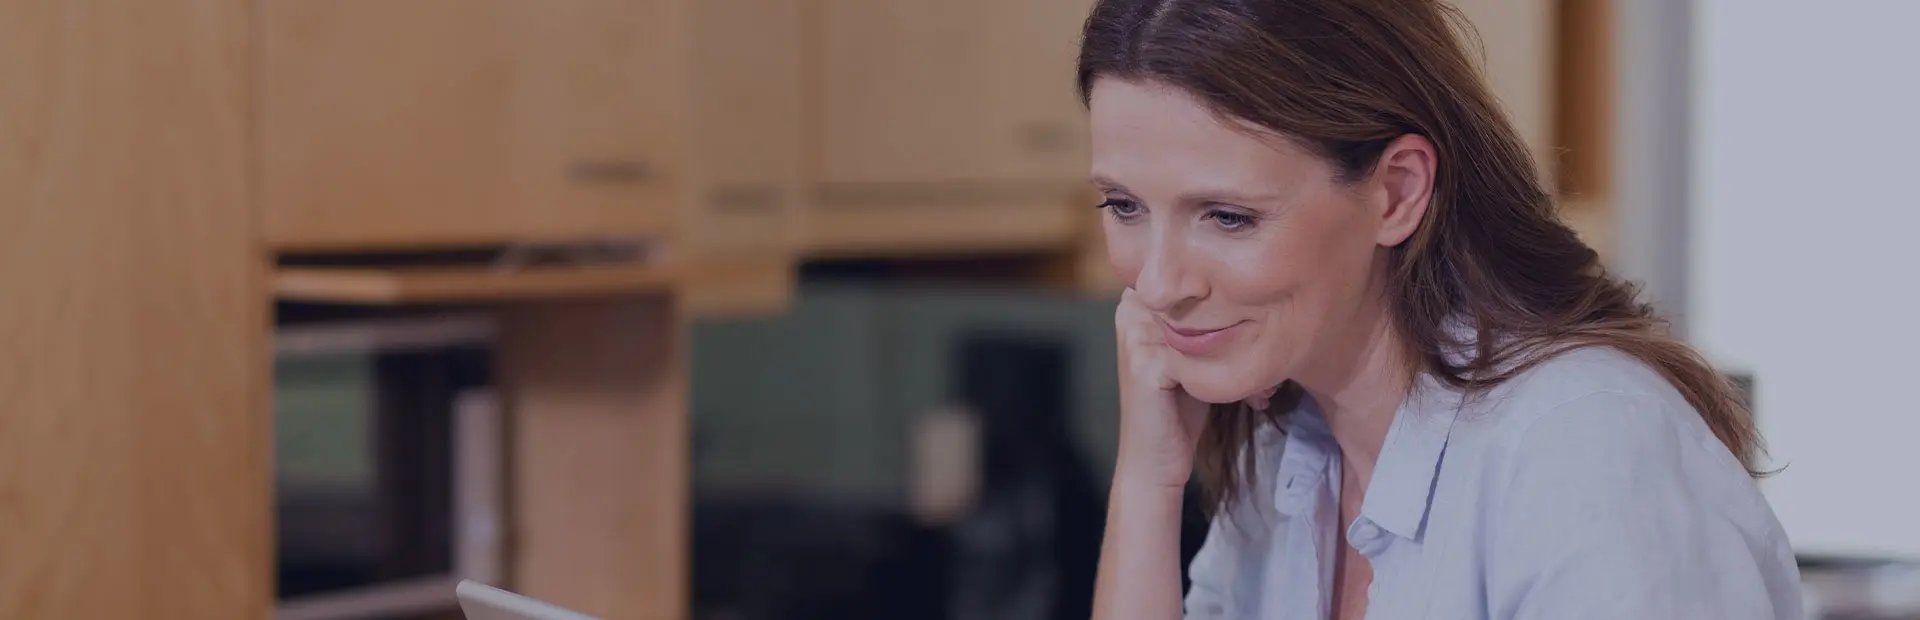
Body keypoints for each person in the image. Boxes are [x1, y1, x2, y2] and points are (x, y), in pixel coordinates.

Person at [1076, 1, 1803, 619]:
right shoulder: (1288, 454)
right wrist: (1147, 481)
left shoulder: (1586, 450)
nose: (1162, 283)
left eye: (1228, 217)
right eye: (1124, 205)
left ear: (1396, 191)